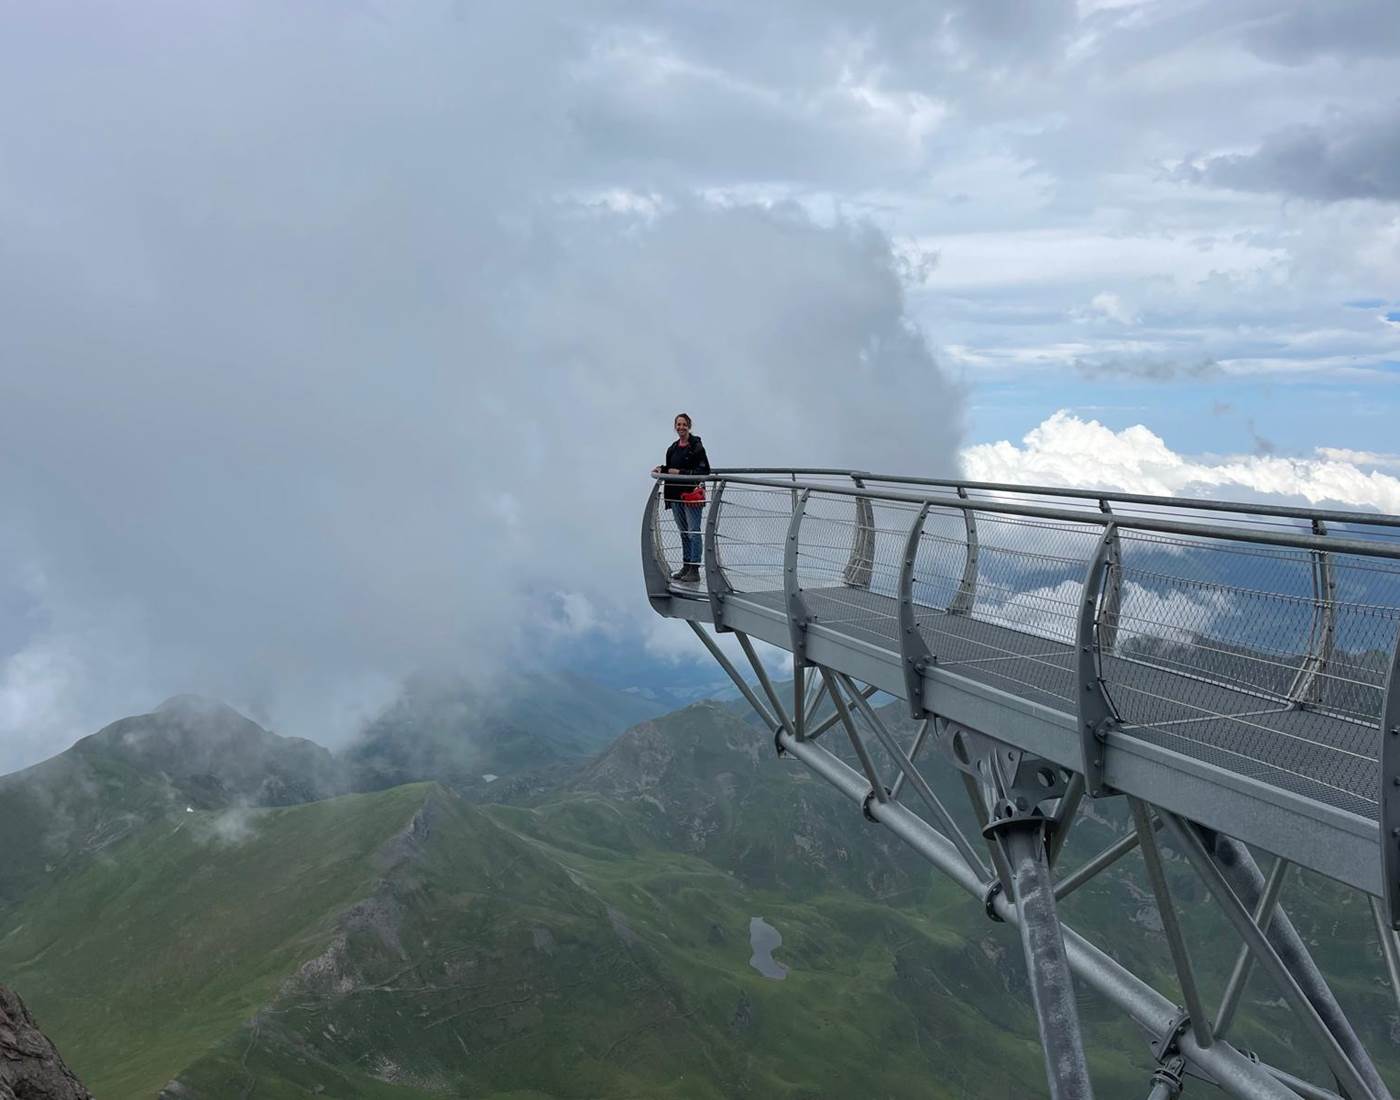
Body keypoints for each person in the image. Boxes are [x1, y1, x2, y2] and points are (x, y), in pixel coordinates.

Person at [652, 412, 710, 582]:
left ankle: (694, 569)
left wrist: (681, 472)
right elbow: (671, 467)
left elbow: (704, 470)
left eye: (684, 424)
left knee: (693, 532)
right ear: (675, 427)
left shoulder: (696, 446)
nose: (681, 427)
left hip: (691, 495)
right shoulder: (673, 448)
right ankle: (686, 566)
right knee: (684, 532)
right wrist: (662, 469)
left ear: (689, 426)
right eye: (678, 424)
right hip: (676, 495)